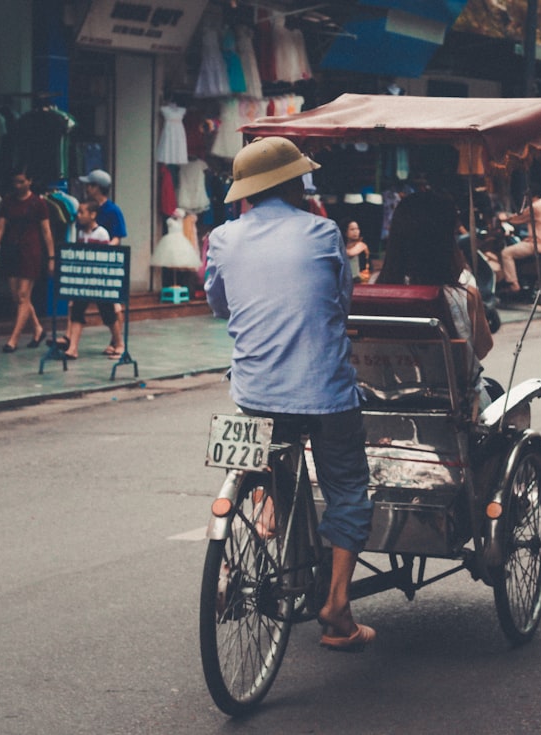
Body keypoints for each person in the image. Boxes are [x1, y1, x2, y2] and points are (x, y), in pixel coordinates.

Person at [205, 136, 375, 651]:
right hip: (324, 392)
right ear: (295, 184)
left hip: (253, 392)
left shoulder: (222, 238)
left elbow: (218, 303)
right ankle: (337, 608)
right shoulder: (322, 232)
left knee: (269, 474)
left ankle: (243, 549)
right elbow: (341, 302)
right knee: (347, 488)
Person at [375, 191, 494, 411]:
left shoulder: (377, 290)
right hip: (454, 405)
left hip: (387, 400)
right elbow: (482, 348)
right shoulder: (463, 293)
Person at [0, 166, 53, 353]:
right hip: (11, 250)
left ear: (29, 181)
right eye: (15, 182)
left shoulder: (38, 203)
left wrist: (51, 257)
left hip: (31, 251)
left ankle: (13, 339)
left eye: (21, 181)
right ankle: (38, 329)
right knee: (17, 296)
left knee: (24, 295)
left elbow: (46, 231)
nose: (17, 185)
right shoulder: (8, 202)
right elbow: (0, 227)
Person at [59, 200, 116, 359]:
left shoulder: (101, 234)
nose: (78, 216)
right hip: (84, 282)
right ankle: (73, 348)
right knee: (77, 311)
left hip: (98, 281)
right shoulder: (81, 234)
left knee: (108, 313)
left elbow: (103, 257)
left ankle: (118, 343)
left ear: (92, 215)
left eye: (81, 212)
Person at [79, 168, 127, 356]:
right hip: (90, 265)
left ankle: (116, 341)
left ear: (97, 188)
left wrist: (103, 247)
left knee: (112, 306)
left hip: (108, 264)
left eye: (90, 185)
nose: (87, 189)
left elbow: (118, 237)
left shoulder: (112, 210)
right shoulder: (85, 210)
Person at [497, 184, 541, 293]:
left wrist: (504, 218)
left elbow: (518, 218)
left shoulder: (535, 206)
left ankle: (513, 284)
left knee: (506, 253)